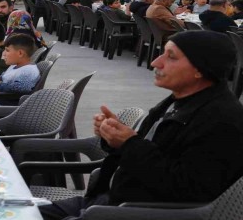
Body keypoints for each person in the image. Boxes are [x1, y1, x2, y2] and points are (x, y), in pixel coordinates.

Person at [39, 31, 243, 220]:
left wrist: (129, 142)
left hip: (133, 212)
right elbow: (148, 153)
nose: (155, 62)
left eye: (171, 57)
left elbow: (188, 189)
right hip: (106, 200)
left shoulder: (221, 121)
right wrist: (114, 139)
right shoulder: (179, 102)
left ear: (201, 69)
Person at [0, 34, 40, 106]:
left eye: (7, 50)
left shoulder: (29, 70)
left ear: (20, 53)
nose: (3, 54)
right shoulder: (14, 66)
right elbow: (3, 78)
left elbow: (23, 87)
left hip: (9, 105)